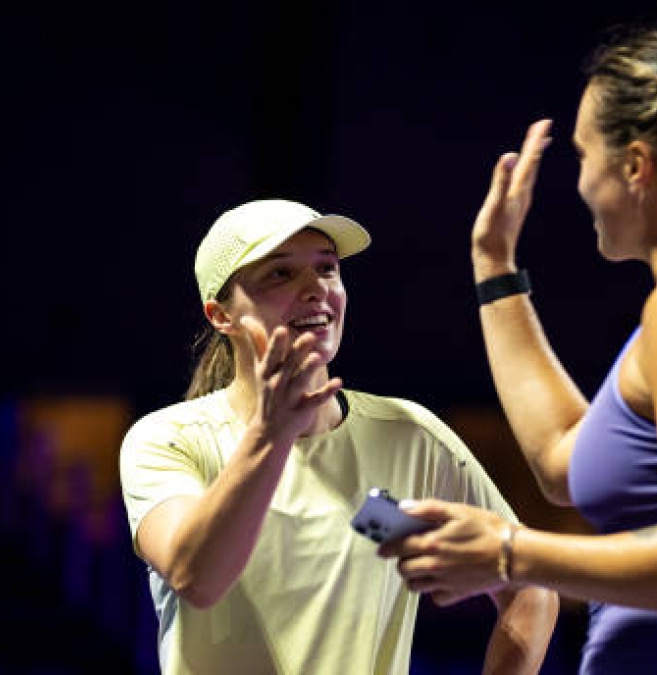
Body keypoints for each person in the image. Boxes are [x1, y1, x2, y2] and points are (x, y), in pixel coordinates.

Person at [380, 29, 657, 673]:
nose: (580, 184)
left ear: (634, 166)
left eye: (582, 155)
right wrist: (495, 268)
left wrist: (509, 552)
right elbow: (563, 460)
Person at [118, 198, 558, 674]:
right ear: (221, 316)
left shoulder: (407, 437)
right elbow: (197, 577)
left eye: (327, 269)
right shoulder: (168, 439)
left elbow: (530, 587)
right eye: (280, 274)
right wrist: (271, 434)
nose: (316, 289)